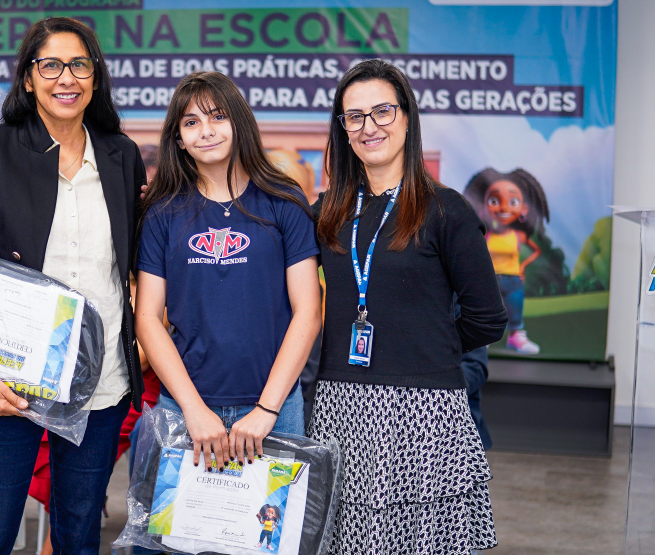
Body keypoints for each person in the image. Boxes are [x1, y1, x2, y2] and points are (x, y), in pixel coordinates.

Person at [0, 17, 146, 555]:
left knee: (78, 532)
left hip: (100, 381)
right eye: (50, 65)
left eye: (79, 64)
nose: (65, 77)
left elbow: (135, 265)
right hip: (8, 381)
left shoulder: (121, 156)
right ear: (28, 78)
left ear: (95, 75)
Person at [308, 59, 507, 554]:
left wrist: (423, 346)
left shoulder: (447, 210)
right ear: (342, 130)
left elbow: (488, 318)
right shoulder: (326, 212)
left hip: (424, 413)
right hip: (339, 407)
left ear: (407, 117)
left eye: (381, 112)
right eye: (354, 117)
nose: (368, 126)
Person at [135, 71, 321, 471]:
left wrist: (268, 409)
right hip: (186, 409)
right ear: (179, 140)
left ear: (239, 121)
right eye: (191, 122)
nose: (206, 131)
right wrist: (193, 410)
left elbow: (308, 310)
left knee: (269, 531)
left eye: (217, 116)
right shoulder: (162, 214)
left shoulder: (283, 201)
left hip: (276, 409)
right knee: (183, 535)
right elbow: (148, 318)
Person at [464, 168, 550, 355]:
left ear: (523, 210)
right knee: (485, 314)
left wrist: (523, 267)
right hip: (489, 281)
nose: (504, 208)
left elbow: (536, 251)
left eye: (513, 202)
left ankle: (515, 337)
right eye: (495, 201)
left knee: (515, 313)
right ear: (483, 208)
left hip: (513, 281)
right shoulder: (484, 236)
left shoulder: (518, 236)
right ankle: (483, 340)